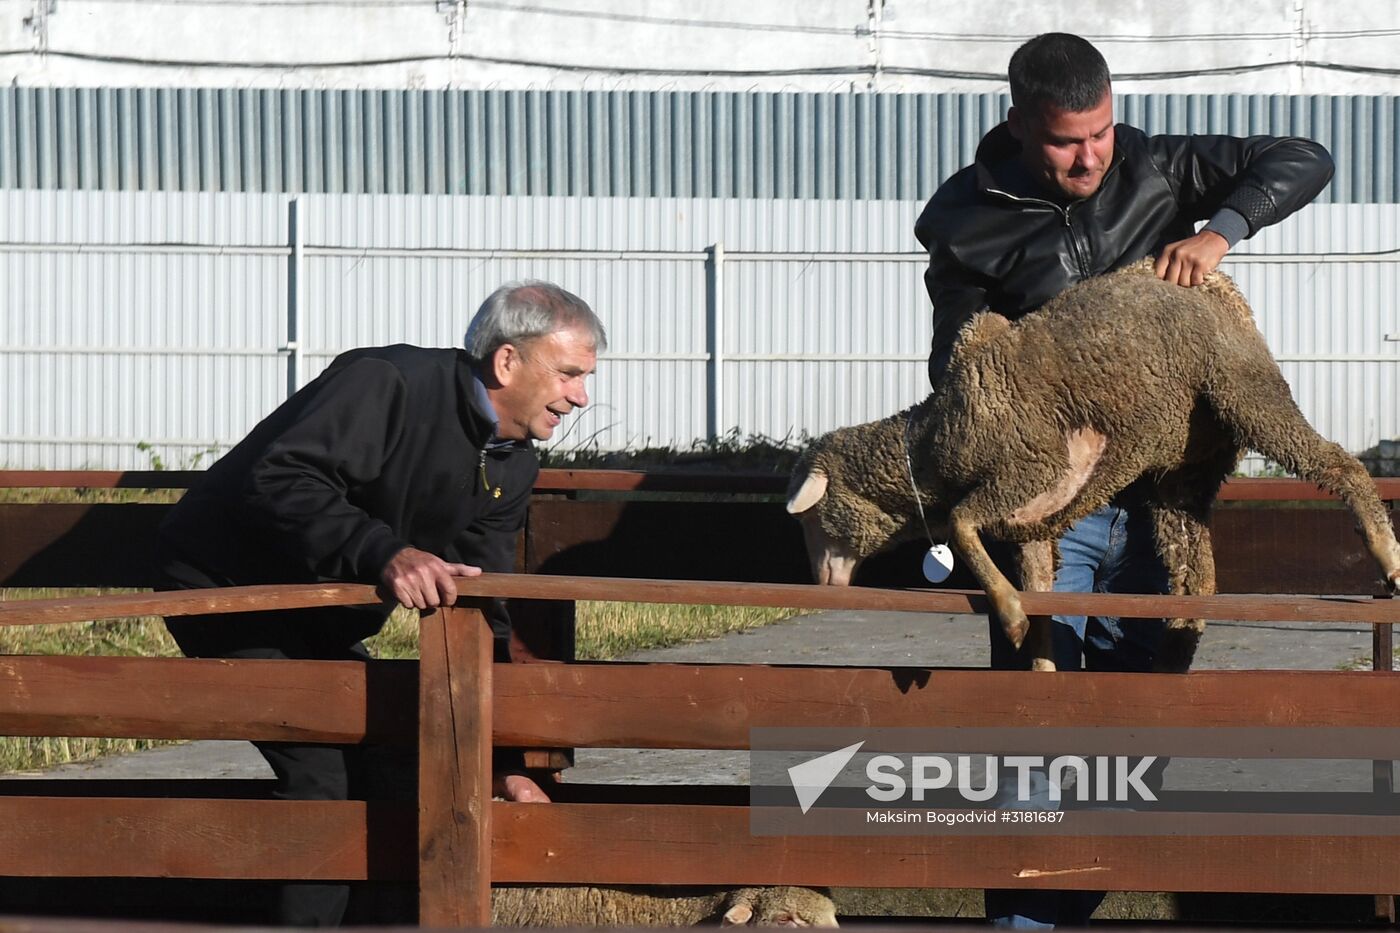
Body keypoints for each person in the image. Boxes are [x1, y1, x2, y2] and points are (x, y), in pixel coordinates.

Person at [912, 32, 1334, 929]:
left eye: (1102, 131)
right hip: (1050, 516)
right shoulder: (963, 216)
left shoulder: (1160, 166)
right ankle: (1026, 921)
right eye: (1069, 140)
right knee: (1039, 723)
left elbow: (1304, 157)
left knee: (1139, 724)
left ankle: (1064, 903)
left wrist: (1221, 229)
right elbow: (962, 369)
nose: (1092, 155)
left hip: (1159, 508)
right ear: (1021, 121)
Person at [156, 280, 606, 926]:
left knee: (395, 760)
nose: (581, 396)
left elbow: (486, 602)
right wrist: (386, 553)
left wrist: (501, 760)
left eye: (585, 378)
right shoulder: (389, 383)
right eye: (568, 373)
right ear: (508, 362)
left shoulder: (512, 463)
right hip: (228, 591)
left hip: (318, 617)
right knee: (324, 770)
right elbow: (281, 477)